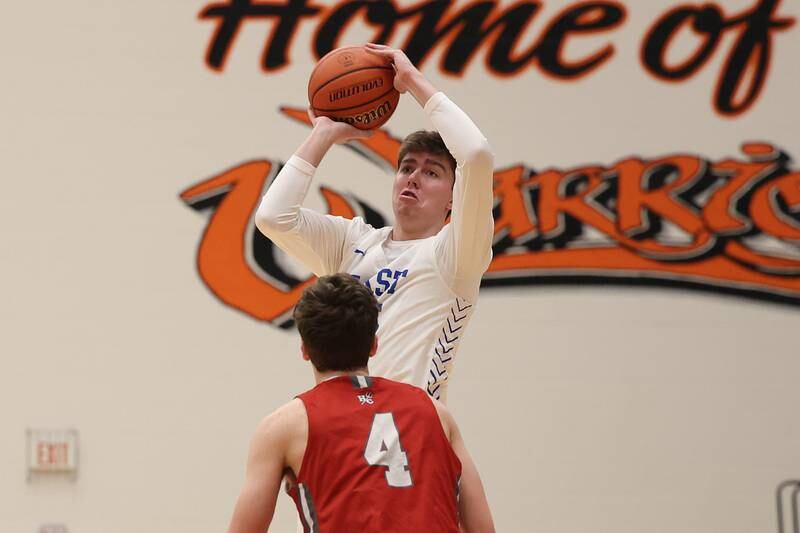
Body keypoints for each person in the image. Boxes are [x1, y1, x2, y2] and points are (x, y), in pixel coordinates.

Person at [255, 43, 494, 402]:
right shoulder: (352, 240)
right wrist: (323, 133)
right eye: (407, 167)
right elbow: (273, 217)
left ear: (452, 200)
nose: (413, 178)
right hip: (347, 430)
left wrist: (412, 81)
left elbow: (475, 154)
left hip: (412, 434)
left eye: (432, 172)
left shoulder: (456, 255)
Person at [226, 274, 495, 533]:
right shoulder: (435, 412)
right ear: (374, 345)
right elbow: (482, 528)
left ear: (305, 350)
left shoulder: (284, 426)